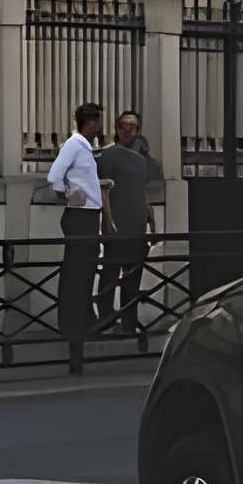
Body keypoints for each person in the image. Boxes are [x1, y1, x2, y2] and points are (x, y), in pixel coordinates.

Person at [95, 109, 162, 337]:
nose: (127, 130)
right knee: (110, 274)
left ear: (138, 130)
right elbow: (104, 190)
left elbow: (143, 191)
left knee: (133, 276)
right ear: (116, 129)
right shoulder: (108, 157)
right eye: (123, 126)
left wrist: (151, 220)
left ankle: (128, 323)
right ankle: (106, 319)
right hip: (117, 226)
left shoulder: (143, 161)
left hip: (136, 226)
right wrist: (109, 221)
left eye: (131, 126)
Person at [46, 101, 105, 344]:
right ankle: (74, 325)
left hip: (88, 215)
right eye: (98, 122)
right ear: (91, 123)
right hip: (81, 216)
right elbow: (54, 176)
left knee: (84, 271)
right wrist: (69, 195)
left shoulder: (84, 147)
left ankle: (82, 321)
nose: (100, 126)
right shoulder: (74, 146)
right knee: (78, 273)